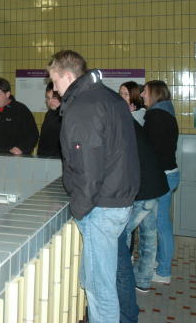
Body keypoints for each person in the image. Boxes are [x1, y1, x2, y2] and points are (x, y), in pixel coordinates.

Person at [47, 50, 139, 323]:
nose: (54, 89)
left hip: (102, 206)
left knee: (100, 289)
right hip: (119, 199)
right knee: (99, 277)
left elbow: (88, 166)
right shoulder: (108, 97)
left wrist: (79, 208)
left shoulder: (83, 106)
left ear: (67, 76)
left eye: (54, 81)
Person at [116, 120, 170, 322]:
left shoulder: (119, 125)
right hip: (155, 185)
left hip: (144, 190)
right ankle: (144, 281)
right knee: (149, 236)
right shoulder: (130, 123)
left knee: (121, 236)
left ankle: (124, 285)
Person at [141, 80, 179, 284]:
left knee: (161, 224)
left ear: (155, 93)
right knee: (161, 222)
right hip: (169, 173)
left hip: (162, 175)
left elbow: (151, 150)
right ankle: (160, 263)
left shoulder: (156, 116)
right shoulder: (167, 113)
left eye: (145, 92)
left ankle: (164, 271)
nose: (142, 95)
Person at [36, 81, 62, 158]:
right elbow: (43, 140)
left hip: (58, 159)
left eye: (54, 97)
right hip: (44, 158)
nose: (50, 101)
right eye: (48, 98)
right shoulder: (49, 114)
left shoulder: (66, 115)